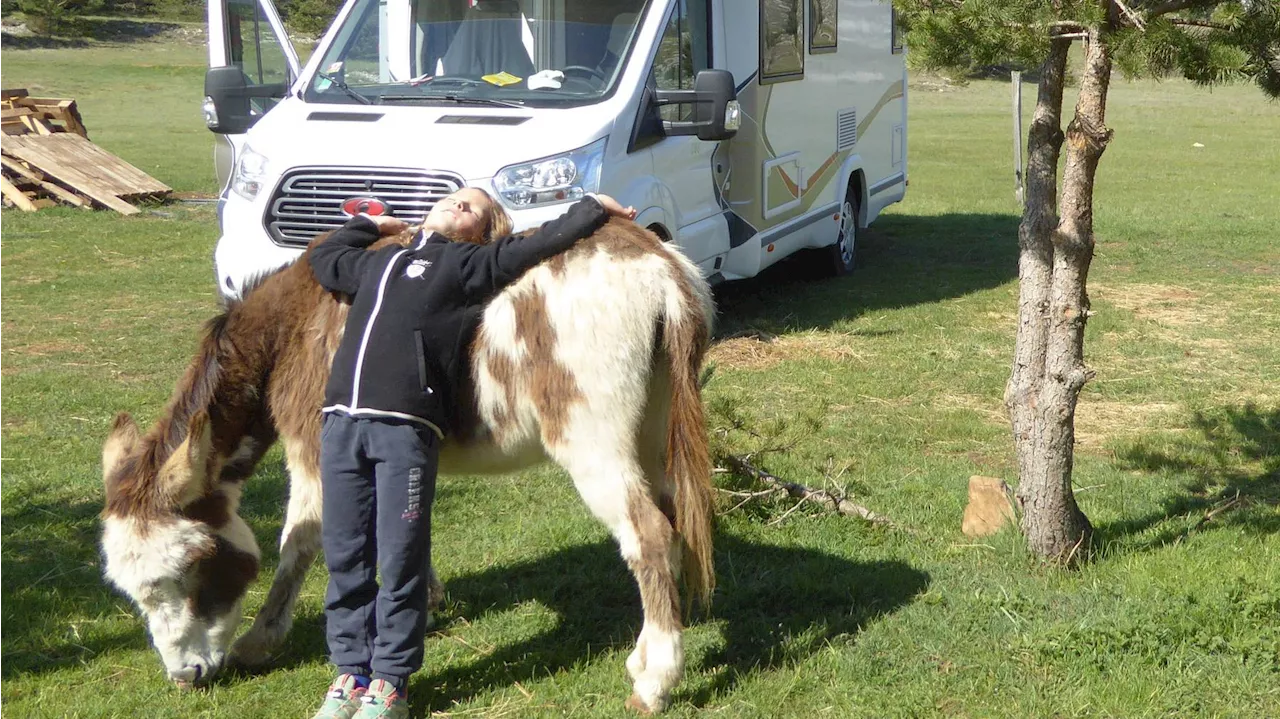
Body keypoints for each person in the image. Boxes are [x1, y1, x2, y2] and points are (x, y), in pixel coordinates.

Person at [307, 187, 637, 719]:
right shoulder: (380, 263)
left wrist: (594, 207)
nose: (460, 206)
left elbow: (540, 244)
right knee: (345, 556)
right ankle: (349, 673)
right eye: (454, 198)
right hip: (341, 425)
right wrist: (374, 227)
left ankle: (389, 683)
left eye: (475, 208)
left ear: (485, 230)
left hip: (406, 430)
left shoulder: (470, 267)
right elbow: (323, 260)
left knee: (401, 556)